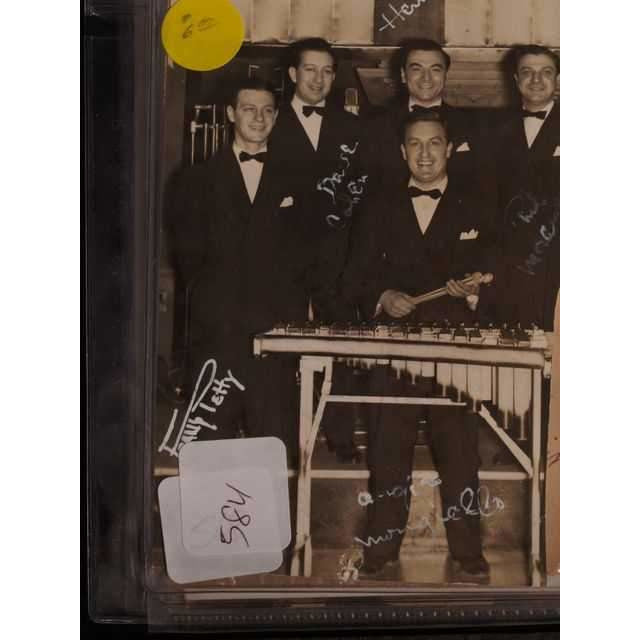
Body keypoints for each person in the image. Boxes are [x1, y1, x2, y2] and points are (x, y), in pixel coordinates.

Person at [342, 111, 497, 583]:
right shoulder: (377, 205)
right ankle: (381, 549)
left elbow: (496, 273)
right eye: (415, 144)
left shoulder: (479, 203)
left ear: (449, 149)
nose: (425, 154)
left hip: (455, 350)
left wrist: (474, 292)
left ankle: (468, 551)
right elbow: (354, 276)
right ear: (402, 151)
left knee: (460, 452)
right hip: (393, 348)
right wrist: (382, 296)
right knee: (387, 449)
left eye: (434, 143)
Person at [165, 78, 308, 459]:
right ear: (231, 114)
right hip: (218, 332)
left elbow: (308, 253)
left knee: (273, 443)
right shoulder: (194, 180)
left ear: (276, 117)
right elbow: (188, 258)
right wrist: (216, 307)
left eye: (267, 110)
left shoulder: (297, 179)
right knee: (212, 446)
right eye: (249, 109)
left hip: (275, 331)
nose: (258, 118)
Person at [270, 37, 367, 463]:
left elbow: (361, 191)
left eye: (327, 71)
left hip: (336, 255)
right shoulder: (268, 120)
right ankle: (282, 438)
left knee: (339, 345)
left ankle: (340, 434)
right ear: (293, 74)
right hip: (281, 258)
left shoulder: (352, 128)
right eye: (310, 69)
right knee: (280, 347)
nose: (318, 79)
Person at [363, 38, 484, 197]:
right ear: (403, 75)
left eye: (435, 69)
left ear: (445, 75)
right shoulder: (376, 126)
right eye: (416, 69)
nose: (426, 78)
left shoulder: (473, 126)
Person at [493, 45, 560, 329]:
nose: (536, 80)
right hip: (507, 263)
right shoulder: (493, 128)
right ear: (515, 79)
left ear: (557, 79)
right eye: (527, 72)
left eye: (546, 72)